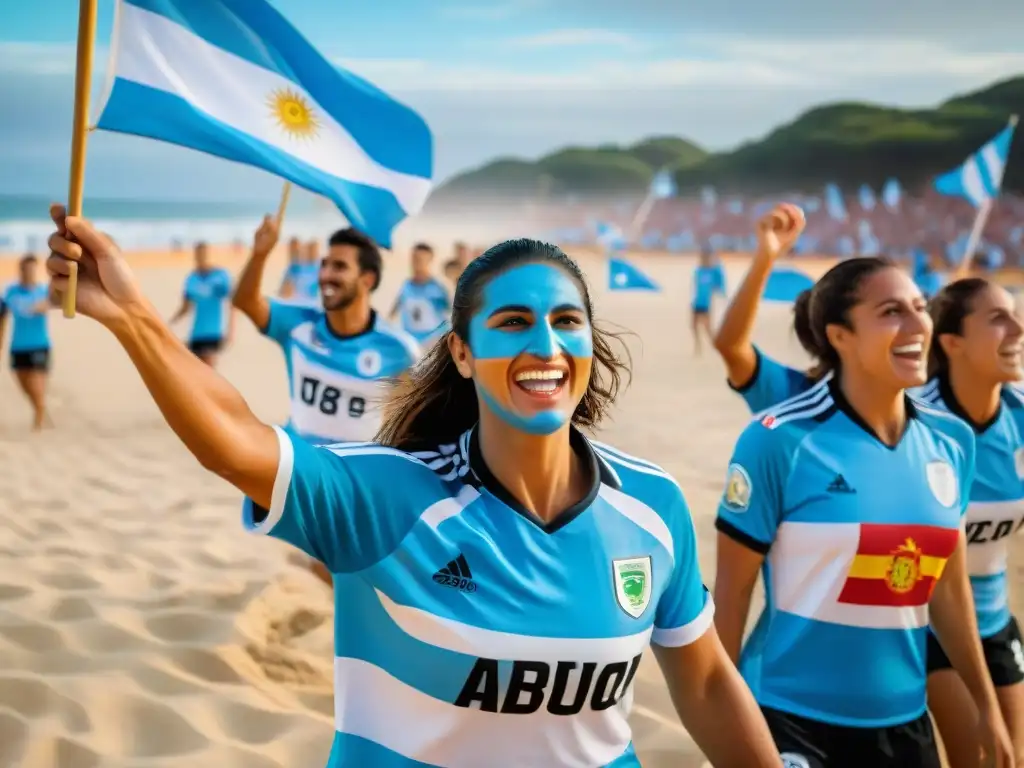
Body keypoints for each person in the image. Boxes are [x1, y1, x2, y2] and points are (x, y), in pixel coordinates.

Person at [46, 205, 784, 768]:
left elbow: (707, 681)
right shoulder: (390, 496)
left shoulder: (650, 507)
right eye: (514, 322)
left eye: (567, 322)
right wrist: (134, 318)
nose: (546, 346)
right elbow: (236, 442)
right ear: (462, 353)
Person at [712, 256, 1013, 767]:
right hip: (792, 720)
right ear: (840, 336)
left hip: (904, 723)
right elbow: (732, 597)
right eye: (892, 310)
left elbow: (947, 587)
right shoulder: (779, 441)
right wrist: (724, 727)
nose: (919, 324)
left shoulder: (952, 442)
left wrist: (987, 706)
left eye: (920, 307)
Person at [913, 277, 1024, 766]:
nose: (1019, 328)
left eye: (1017, 314)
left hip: (996, 622)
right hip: (926, 626)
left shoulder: (1020, 420)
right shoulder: (917, 426)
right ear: (952, 342)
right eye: (999, 318)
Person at [232, 216, 419, 446]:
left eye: (339, 266)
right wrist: (259, 254)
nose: (325, 275)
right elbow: (245, 300)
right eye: (324, 264)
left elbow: (407, 427)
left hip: (353, 475)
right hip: (300, 468)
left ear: (367, 280)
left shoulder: (399, 350)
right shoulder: (297, 323)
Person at [713, 204, 818, 413]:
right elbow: (731, 346)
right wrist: (766, 257)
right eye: (891, 312)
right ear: (839, 335)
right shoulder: (795, 398)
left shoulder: (903, 411)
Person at [0, 254, 52, 429]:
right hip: (18, 346)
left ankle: (38, 423)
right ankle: (42, 410)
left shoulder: (43, 291)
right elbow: (2, 318)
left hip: (39, 345)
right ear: (20, 270)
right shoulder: (10, 292)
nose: (29, 272)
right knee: (24, 385)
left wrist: (44, 305)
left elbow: (52, 303)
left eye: (32, 269)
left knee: (37, 386)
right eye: (26, 269)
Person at [169, 242, 234, 366]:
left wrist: (231, 331)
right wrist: (171, 322)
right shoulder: (192, 278)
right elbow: (185, 307)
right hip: (196, 333)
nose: (201, 258)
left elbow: (233, 303)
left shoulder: (220, 276)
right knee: (191, 369)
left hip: (213, 332)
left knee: (209, 372)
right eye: (198, 255)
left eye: (204, 254)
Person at [389, 242, 451, 346]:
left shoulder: (439, 287)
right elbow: (394, 313)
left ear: (430, 260)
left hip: (434, 343)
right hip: (411, 343)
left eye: (420, 259)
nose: (416, 263)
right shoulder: (405, 286)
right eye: (414, 258)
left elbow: (454, 313)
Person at [690, 245, 726, 357]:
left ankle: (717, 346)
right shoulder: (698, 271)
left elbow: (720, 282)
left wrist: (717, 261)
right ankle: (698, 346)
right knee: (694, 326)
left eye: (705, 257)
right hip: (696, 301)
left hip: (706, 304)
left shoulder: (713, 272)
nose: (703, 259)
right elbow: (696, 285)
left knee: (707, 328)